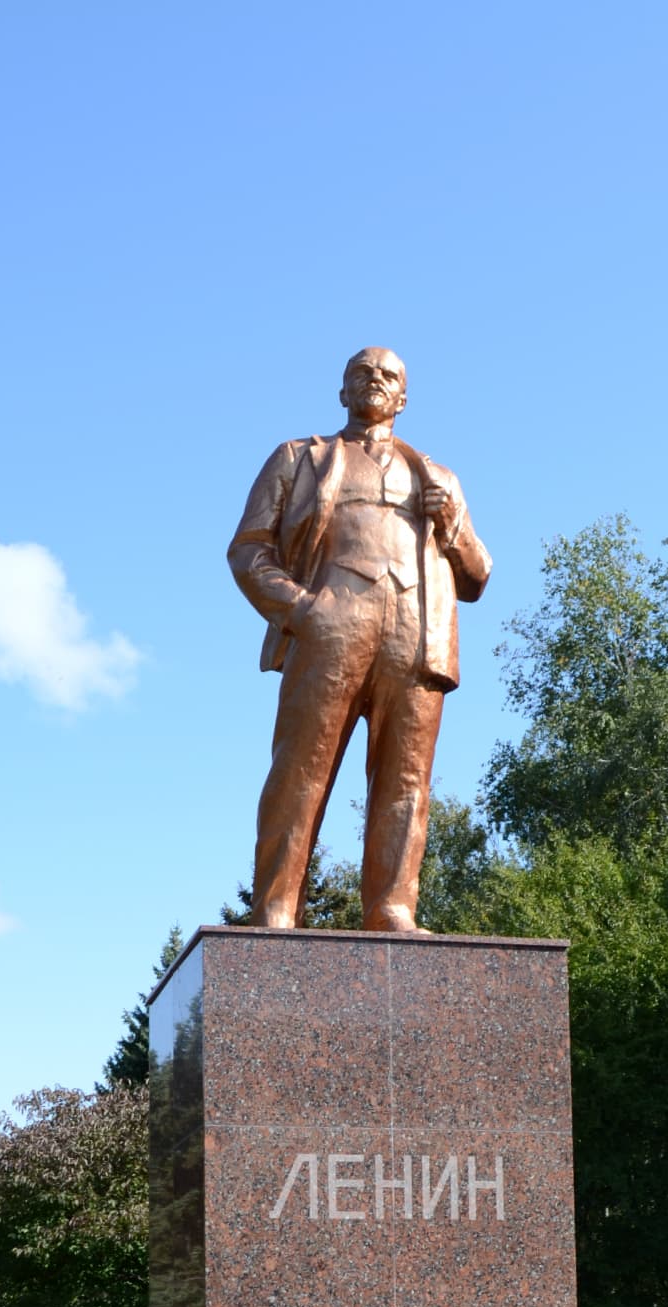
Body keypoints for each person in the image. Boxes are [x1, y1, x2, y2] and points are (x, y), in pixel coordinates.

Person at [227, 347, 492, 932]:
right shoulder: (300, 459)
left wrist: (450, 526)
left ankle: (393, 909)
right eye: (361, 373)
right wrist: (301, 608)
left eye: (389, 375)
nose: (376, 380)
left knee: (406, 783)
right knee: (300, 771)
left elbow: (477, 576)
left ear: (403, 398)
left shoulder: (439, 477)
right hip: (330, 626)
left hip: (416, 637)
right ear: (343, 392)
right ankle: (274, 908)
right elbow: (248, 550)